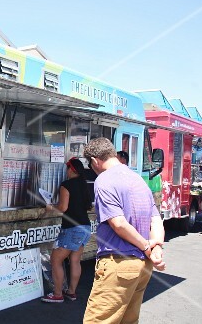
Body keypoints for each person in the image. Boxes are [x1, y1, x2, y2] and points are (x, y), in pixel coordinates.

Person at [82, 138, 165, 323]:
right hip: (143, 266)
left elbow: (118, 223)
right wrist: (156, 247)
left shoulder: (104, 180)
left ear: (95, 161)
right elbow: (156, 219)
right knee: (128, 320)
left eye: (90, 163)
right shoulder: (137, 179)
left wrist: (146, 246)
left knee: (98, 320)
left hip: (119, 263)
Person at [41, 157, 92, 303]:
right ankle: (71, 292)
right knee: (75, 261)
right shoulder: (84, 185)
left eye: (67, 168)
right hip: (85, 228)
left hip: (72, 229)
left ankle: (57, 294)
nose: (66, 171)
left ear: (72, 169)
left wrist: (51, 207)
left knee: (55, 260)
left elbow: (63, 208)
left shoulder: (66, 185)